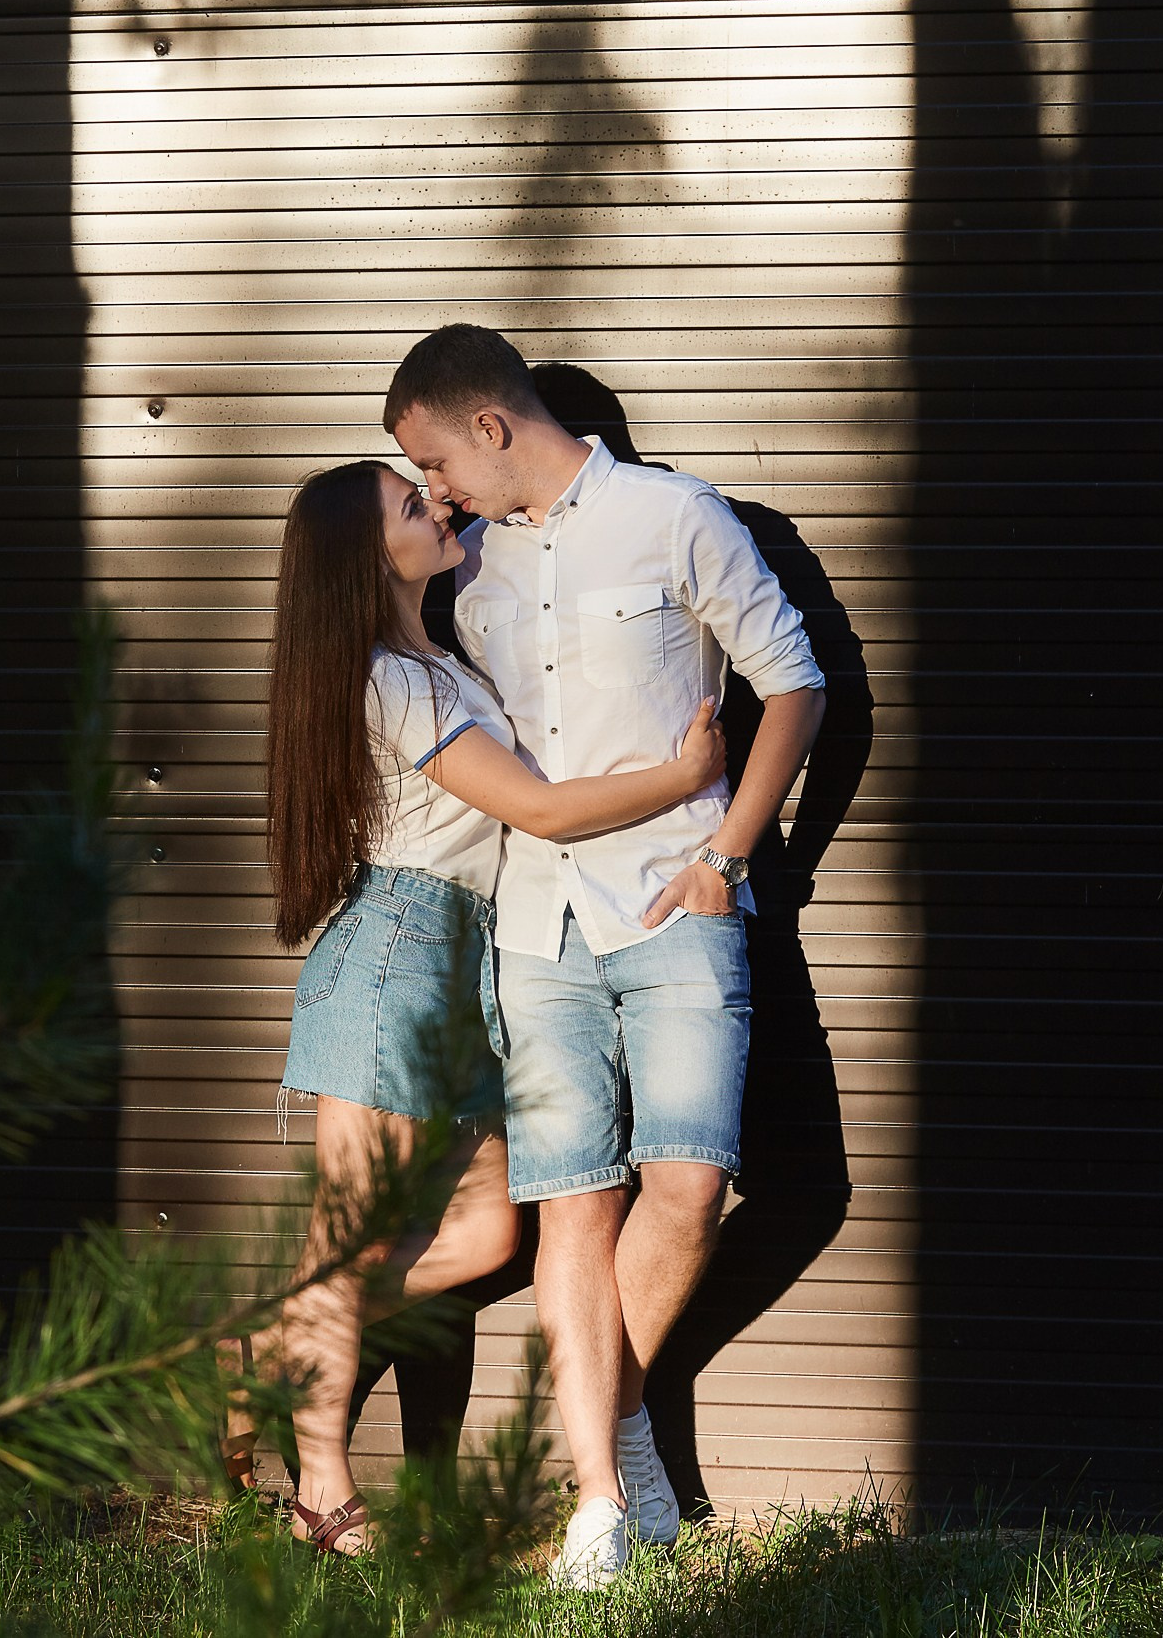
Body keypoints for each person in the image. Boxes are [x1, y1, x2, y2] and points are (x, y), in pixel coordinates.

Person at [386, 325, 827, 1589]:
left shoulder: (676, 517)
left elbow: (793, 686)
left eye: (434, 461)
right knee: (574, 1199)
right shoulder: (468, 567)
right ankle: (597, 1505)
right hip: (535, 924)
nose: (432, 491)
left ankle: (616, 1417)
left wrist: (730, 855)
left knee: (688, 1186)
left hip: (677, 902)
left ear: (490, 424)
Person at [242, 458, 727, 1556]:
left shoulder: (433, 659)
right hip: (398, 955)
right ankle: (319, 1489)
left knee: (486, 1229)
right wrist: (683, 774)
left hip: (466, 959)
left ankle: (258, 1357)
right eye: (411, 505)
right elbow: (539, 810)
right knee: (349, 1243)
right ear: (369, 558)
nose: (440, 504)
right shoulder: (390, 679)